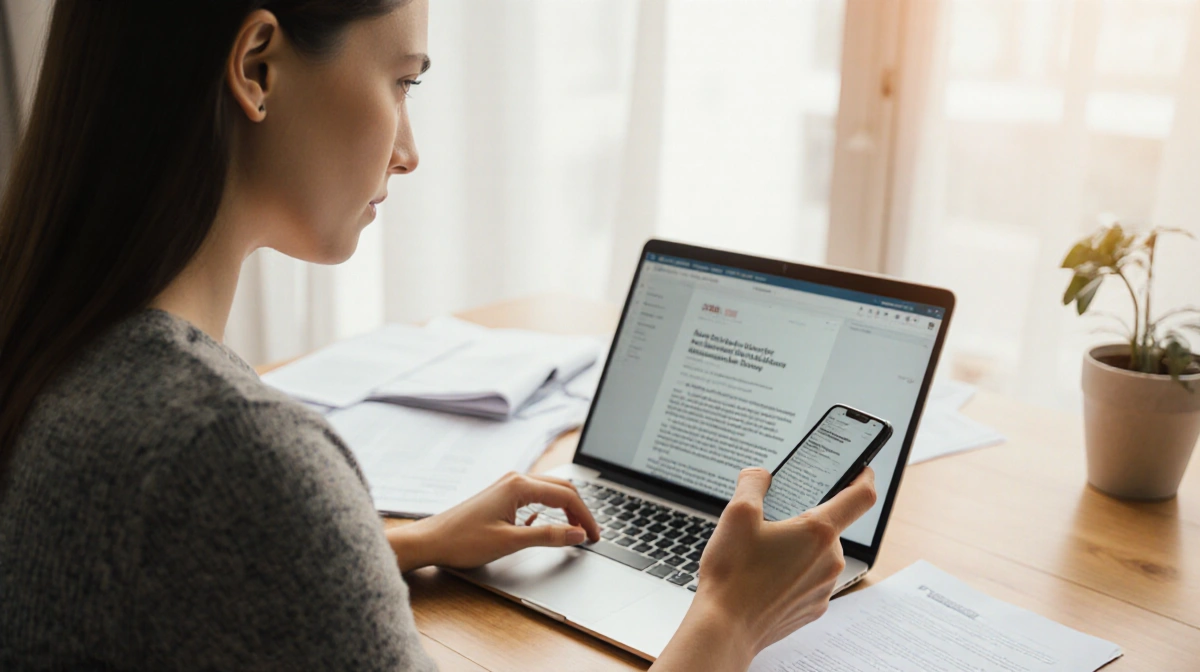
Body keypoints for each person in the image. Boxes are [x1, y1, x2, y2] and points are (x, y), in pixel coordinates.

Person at [0, 1, 878, 670]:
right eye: (402, 81)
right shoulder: (231, 454)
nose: (409, 150)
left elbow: (168, 571)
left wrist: (389, 543)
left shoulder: (57, 347)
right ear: (258, 66)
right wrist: (729, 619)